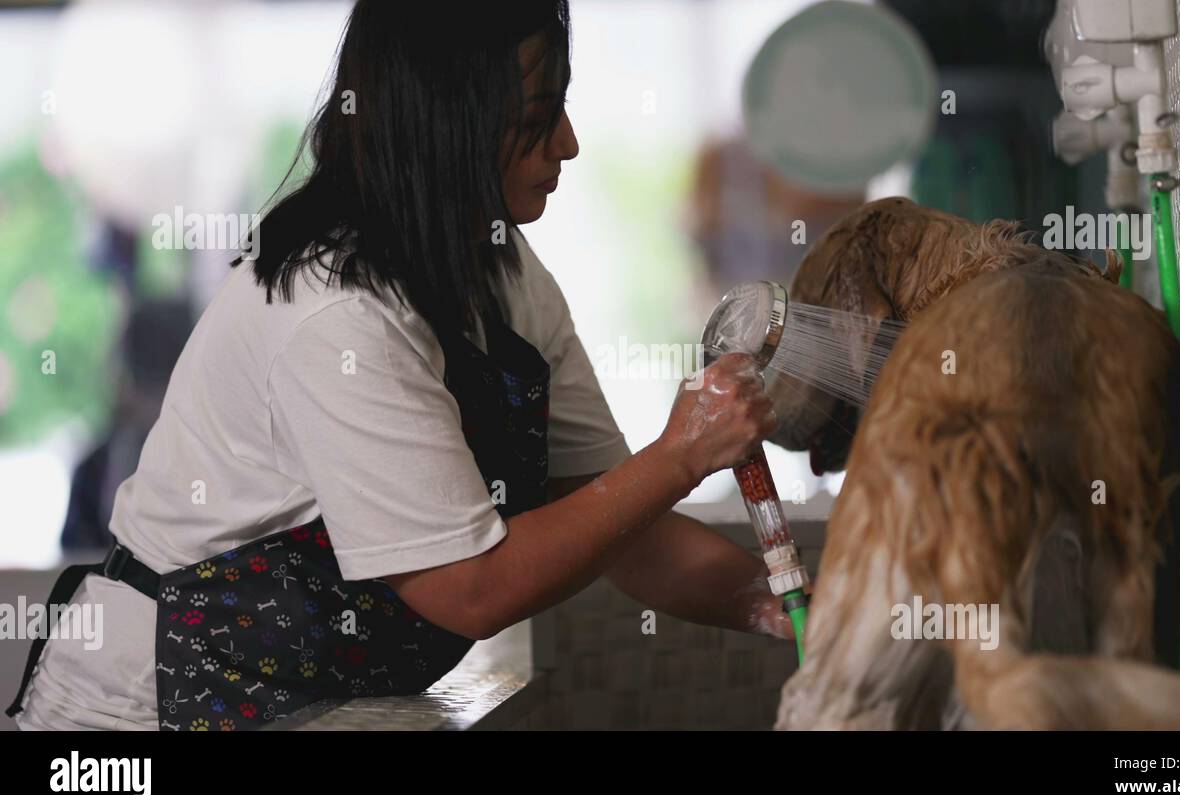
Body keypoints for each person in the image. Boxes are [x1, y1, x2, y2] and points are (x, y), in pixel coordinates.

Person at [9, 0, 787, 731]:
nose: (569, 143)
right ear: (451, 123)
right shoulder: (337, 309)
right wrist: (683, 452)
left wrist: (799, 604)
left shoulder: (505, 272)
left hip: (299, 698)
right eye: (539, 118)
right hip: (136, 710)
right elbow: (471, 588)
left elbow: (631, 533)